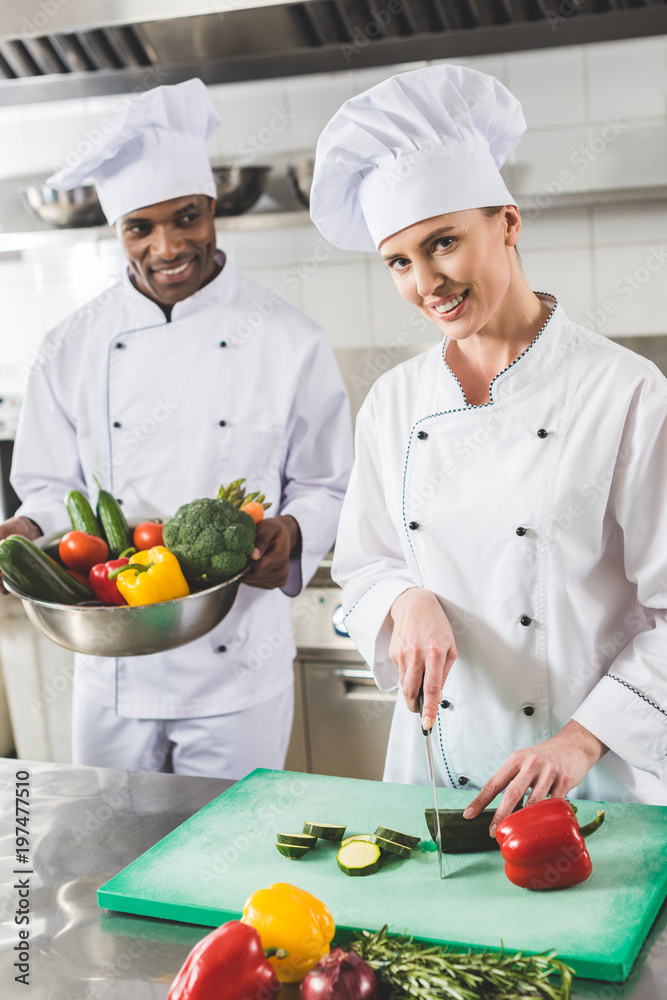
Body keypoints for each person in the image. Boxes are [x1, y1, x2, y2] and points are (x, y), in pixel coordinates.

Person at [309, 63, 667, 831]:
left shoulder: (626, 393)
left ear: (507, 222)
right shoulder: (395, 402)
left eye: (443, 244)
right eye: (399, 262)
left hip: (585, 780)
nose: (425, 283)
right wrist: (406, 603)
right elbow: (365, 566)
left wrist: (578, 739)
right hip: (434, 775)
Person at [3, 79, 353, 779]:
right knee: (108, 852)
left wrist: (289, 537)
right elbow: (47, 487)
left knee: (224, 859)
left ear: (211, 210)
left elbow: (328, 483)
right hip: (112, 666)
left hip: (238, 669)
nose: (167, 245)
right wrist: (26, 533)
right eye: (141, 227)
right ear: (118, 232)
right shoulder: (71, 344)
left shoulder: (288, 338)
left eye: (185, 218)